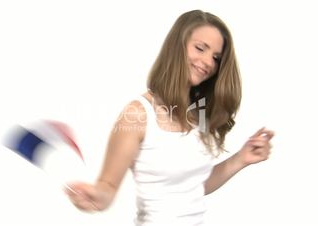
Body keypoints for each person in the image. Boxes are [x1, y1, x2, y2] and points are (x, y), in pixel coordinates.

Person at [66, 9, 274, 226]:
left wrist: (241, 159)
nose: (208, 62)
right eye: (200, 48)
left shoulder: (199, 112)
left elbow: (195, 185)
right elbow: (107, 187)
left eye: (216, 57)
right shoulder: (137, 114)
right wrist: (96, 196)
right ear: (177, 45)